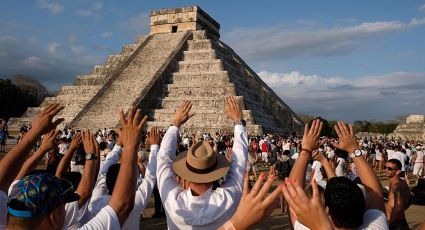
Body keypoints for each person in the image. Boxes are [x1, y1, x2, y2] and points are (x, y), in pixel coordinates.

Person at [4, 106, 148, 229]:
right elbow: (121, 205)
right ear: (54, 217)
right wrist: (129, 145)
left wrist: (35, 140)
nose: (66, 210)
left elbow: (6, 178)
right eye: (63, 208)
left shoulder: (13, 202)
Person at [157, 97, 248, 229]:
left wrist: (175, 123)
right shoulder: (227, 199)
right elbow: (239, 162)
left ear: (186, 172)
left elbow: (163, 159)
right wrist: (238, 122)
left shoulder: (172, 201)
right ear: (215, 171)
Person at [284, 120, 388, 229]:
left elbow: (293, 194)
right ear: (363, 206)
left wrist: (306, 150)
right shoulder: (377, 226)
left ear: (327, 211)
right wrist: (354, 150)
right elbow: (374, 192)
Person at [385, 159, 410, 229]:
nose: (386, 170)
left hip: (395, 224)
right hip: (401, 221)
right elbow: (408, 200)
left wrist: (390, 223)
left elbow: (398, 207)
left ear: (398, 171)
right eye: (385, 167)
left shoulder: (396, 185)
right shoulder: (402, 182)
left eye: (389, 169)